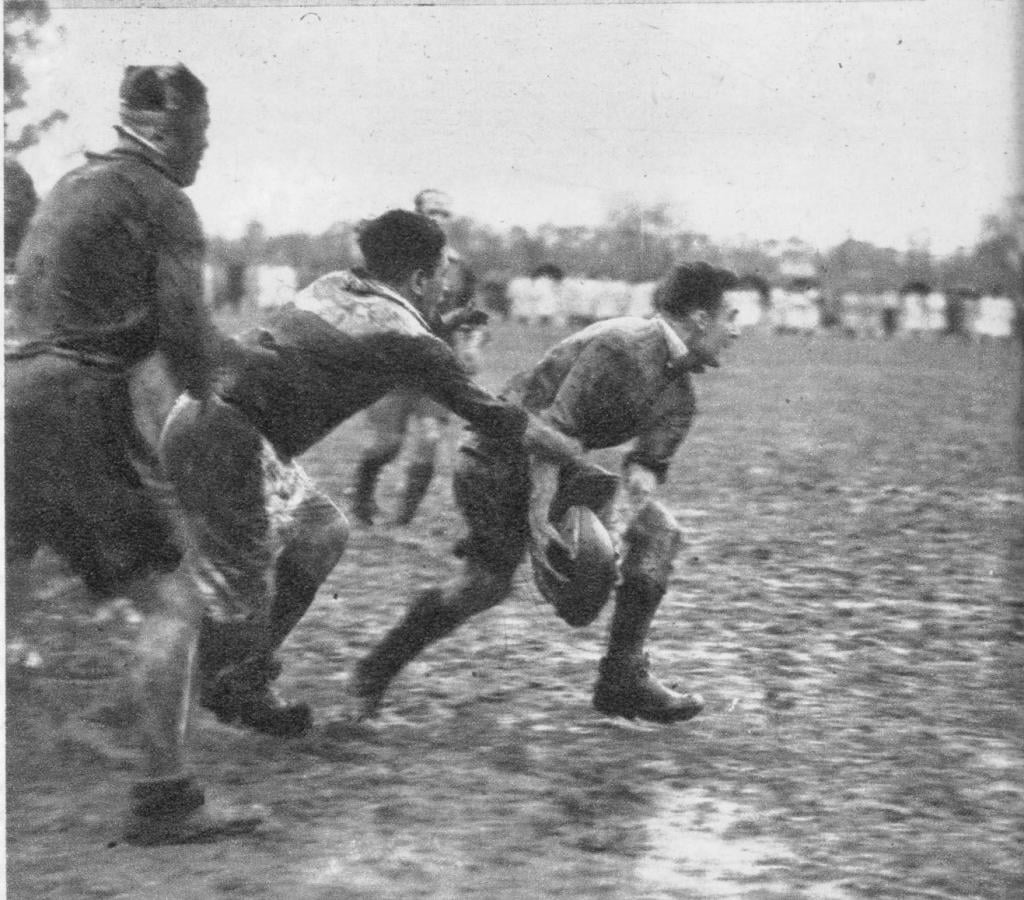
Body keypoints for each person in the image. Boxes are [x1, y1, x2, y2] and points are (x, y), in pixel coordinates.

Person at [159, 209, 585, 742]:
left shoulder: (335, 284)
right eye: (443, 271)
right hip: (231, 439)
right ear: (422, 279)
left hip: (205, 417)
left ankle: (234, 674)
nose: (447, 283)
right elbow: (492, 415)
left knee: (322, 534)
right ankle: (204, 700)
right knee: (232, 589)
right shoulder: (410, 338)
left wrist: (436, 331)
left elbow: (370, 335)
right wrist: (565, 447)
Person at [5, 64, 264, 845]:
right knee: (171, 601)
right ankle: (165, 799)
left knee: (12, 572)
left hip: (11, 390)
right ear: (164, 128)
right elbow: (185, 337)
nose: (203, 152)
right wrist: (230, 373)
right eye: (199, 135)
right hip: (76, 401)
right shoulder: (164, 200)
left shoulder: (73, 185)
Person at [353, 261, 741, 724]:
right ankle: (375, 670)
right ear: (700, 318)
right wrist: (539, 519)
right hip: (494, 461)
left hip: (560, 463)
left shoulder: (680, 397)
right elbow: (548, 432)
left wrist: (614, 533)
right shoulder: (622, 347)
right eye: (731, 317)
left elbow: (642, 473)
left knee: (658, 533)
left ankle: (623, 679)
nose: (736, 332)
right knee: (484, 585)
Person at [350, 189, 489, 526]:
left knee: (429, 437)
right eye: (432, 211)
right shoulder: (392, 260)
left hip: (436, 368)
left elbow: (473, 313)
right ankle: (363, 496)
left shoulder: (458, 268)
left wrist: (472, 344)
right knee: (386, 446)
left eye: (444, 213)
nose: (438, 218)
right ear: (418, 214)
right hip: (394, 365)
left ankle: (402, 519)